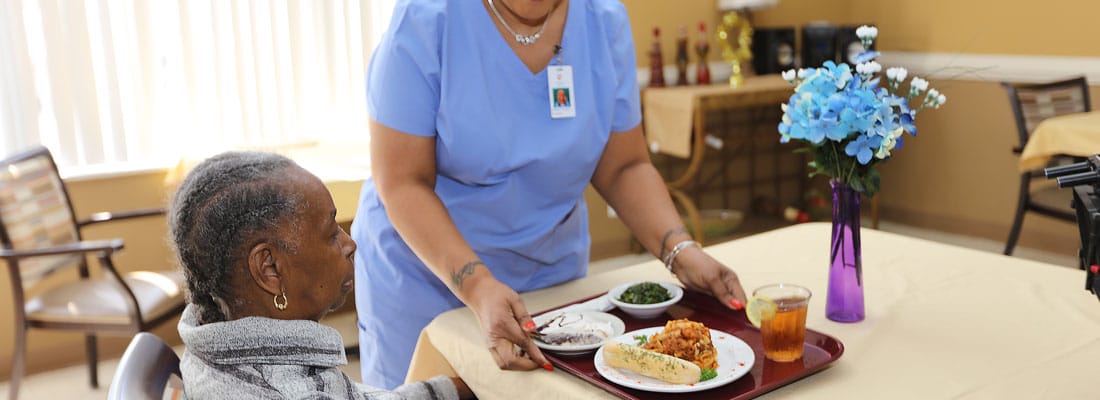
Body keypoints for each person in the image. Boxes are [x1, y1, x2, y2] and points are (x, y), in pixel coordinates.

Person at [355, 0, 748, 389]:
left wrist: (679, 249)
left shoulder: (603, 20)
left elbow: (624, 167)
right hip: (429, 277)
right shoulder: (426, 19)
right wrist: (478, 286)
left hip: (550, 282)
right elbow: (404, 182)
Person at [168, 151, 473, 399]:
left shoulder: (215, 334)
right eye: (331, 233)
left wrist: (452, 390)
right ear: (271, 269)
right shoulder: (291, 391)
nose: (349, 244)